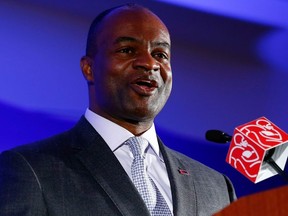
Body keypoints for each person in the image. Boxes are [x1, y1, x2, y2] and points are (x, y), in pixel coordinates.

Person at [0, 3, 236, 216]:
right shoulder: (30, 170)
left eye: (160, 54)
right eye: (127, 50)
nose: (150, 63)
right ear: (89, 68)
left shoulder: (216, 188)